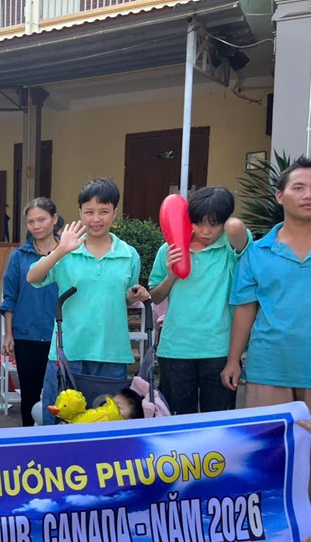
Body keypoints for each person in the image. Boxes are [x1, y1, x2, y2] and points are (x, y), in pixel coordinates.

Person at [27, 178, 149, 425]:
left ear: (115, 212)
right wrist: (61, 250)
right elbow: (33, 277)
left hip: (111, 353)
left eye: (104, 211)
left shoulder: (128, 254)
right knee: (57, 424)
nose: (96, 219)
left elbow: (124, 295)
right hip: (68, 351)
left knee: (108, 424)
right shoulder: (67, 250)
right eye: (89, 212)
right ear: (80, 213)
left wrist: (134, 295)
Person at [149, 186, 250, 415]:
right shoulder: (169, 248)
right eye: (197, 222)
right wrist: (170, 276)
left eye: (214, 223)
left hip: (219, 350)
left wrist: (221, 212)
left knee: (218, 422)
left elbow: (236, 227)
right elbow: (155, 295)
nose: (205, 231)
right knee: (177, 422)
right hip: (175, 349)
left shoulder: (228, 246)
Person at [222, 156, 311, 409]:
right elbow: (245, 309)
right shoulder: (256, 252)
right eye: (299, 187)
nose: (308, 195)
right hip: (269, 369)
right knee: (270, 436)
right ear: (279, 196)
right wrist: (233, 360)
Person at [0, 197, 60, 426]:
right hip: (27, 336)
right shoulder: (19, 256)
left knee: (63, 396)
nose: (36, 226)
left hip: (62, 336)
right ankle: (30, 439)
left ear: (54, 219)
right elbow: (10, 297)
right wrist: (9, 334)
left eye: (41, 220)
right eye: (31, 222)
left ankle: (59, 441)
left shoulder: (69, 252)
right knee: (29, 395)